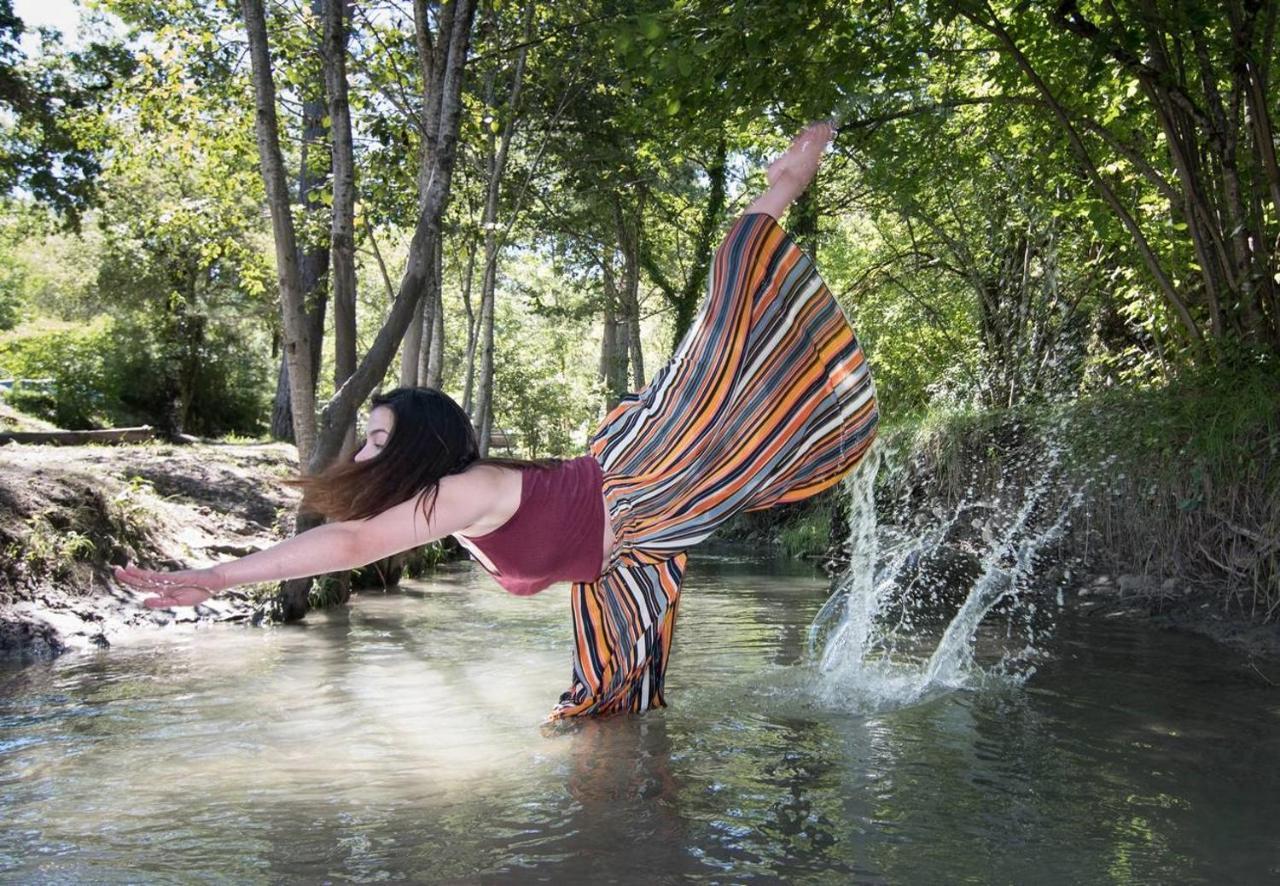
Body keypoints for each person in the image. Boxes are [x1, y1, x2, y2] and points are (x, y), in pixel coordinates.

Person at [114, 121, 879, 719]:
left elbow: (348, 543)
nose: (370, 449)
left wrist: (216, 576)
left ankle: (782, 186)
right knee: (602, 712)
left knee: (716, 341)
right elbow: (355, 531)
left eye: (382, 436)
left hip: (643, 481)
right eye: (368, 438)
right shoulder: (442, 513)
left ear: (423, 445)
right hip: (620, 567)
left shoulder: (457, 492)